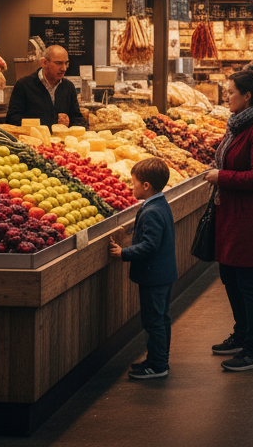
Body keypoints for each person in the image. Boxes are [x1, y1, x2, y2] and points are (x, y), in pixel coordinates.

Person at [203, 69, 253, 371]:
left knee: (249, 282)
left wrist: (221, 176)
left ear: (247, 96)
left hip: (250, 218)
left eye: (231, 91)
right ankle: (242, 334)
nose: (227, 96)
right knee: (230, 277)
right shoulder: (237, 126)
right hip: (231, 214)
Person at [108, 157, 177, 379]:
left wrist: (123, 253)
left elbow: (149, 245)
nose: (131, 186)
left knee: (154, 321)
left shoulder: (152, 211)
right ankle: (158, 359)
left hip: (154, 277)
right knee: (161, 319)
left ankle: (158, 366)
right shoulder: (159, 204)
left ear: (146, 186)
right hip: (162, 274)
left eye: (133, 182)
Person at [6, 44, 84, 128]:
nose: (64, 68)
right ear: (44, 62)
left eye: (66, 63)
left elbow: (78, 119)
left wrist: (69, 122)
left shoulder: (68, 87)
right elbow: (12, 120)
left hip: (60, 140)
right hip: (33, 139)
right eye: (58, 63)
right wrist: (45, 124)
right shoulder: (23, 85)